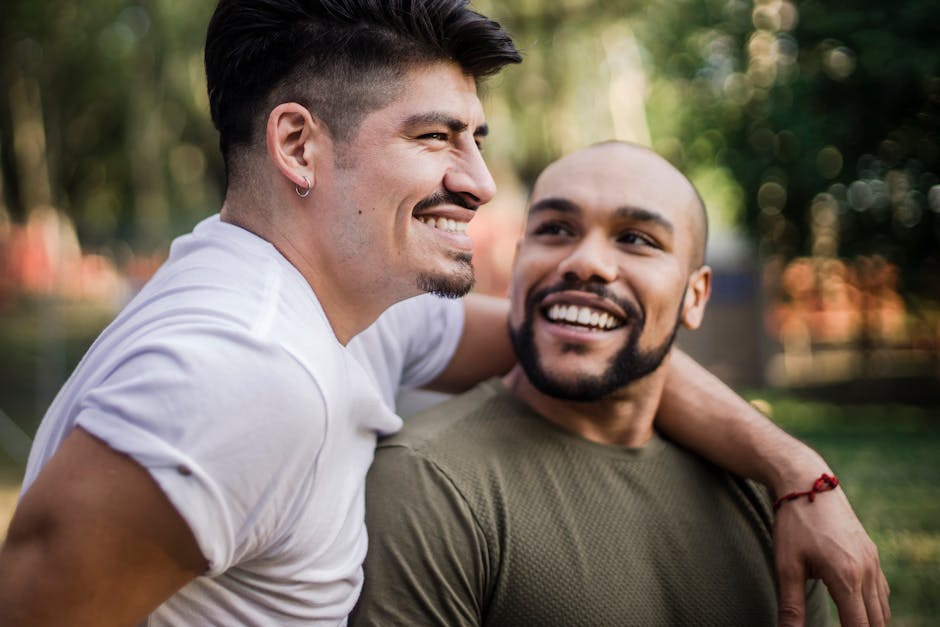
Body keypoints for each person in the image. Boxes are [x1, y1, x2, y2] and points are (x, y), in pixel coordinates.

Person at [0, 2, 886, 625]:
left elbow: (572, 330)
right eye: (435, 138)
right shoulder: (243, 370)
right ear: (299, 146)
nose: (480, 180)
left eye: (475, 138)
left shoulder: (344, 306)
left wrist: (798, 472)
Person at [350, 143, 884, 627]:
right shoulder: (428, 487)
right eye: (555, 230)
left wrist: (799, 473)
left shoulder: (776, 497)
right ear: (518, 264)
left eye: (635, 239)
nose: (585, 262)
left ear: (695, 296)